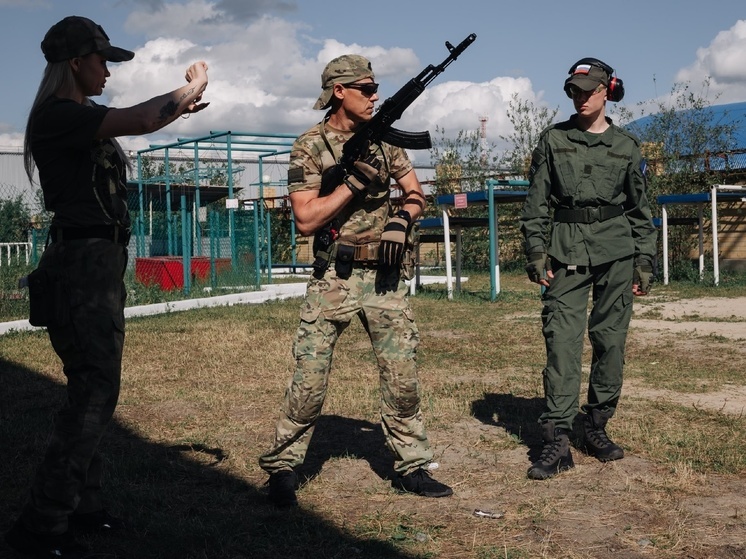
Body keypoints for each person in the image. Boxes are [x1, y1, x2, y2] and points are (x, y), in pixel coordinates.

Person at [4, 15, 209, 558]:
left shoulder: (80, 116)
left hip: (96, 260)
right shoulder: (59, 116)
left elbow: (139, 120)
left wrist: (181, 105)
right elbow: (142, 118)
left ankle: (82, 505)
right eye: (102, 62)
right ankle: (42, 522)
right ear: (77, 62)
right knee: (95, 390)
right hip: (82, 265)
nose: (107, 72)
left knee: (90, 387)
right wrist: (189, 88)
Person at [258, 54, 452, 506]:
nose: (374, 96)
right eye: (365, 89)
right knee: (309, 380)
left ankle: (412, 466)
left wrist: (404, 218)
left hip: (385, 277)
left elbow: (416, 192)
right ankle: (283, 468)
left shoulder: (386, 142)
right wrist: (350, 185)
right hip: (335, 278)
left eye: (375, 87)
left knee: (401, 377)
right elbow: (305, 219)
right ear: (339, 91)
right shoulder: (309, 146)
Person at [519, 58, 657, 480]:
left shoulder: (627, 146)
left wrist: (644, 260)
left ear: (606, 91)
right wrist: (536, 252)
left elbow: (639, 209)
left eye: (588, 90)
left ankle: (595, 426)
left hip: (616, 253)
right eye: (575, 91)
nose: (580, 97)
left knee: (610, 341)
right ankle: (558, 438)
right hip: (566, 250)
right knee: (562, 340)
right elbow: (537, 203)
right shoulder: (553, 140)